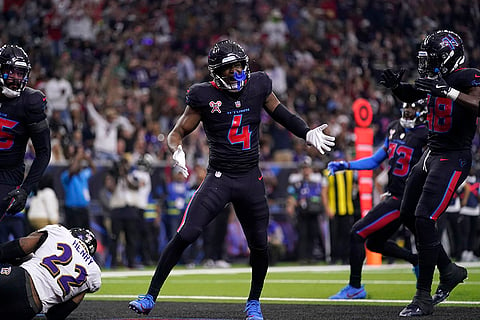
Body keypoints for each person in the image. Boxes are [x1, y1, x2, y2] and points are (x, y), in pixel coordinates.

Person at [129, 39, 335, 319]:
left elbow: (282, 113)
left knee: (260, 244)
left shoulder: (258, 84)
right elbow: (177, 132)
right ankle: (149, 296)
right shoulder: (203, 95)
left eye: (240, 66)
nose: (238, 72)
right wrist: (175, 149)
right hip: (219, 178)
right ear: (216, 72)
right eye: (230, 68)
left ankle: (253, 302)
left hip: (250, 178)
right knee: (186, 233)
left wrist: (306, 132)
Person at [380, 29, 479, 316]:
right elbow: (415, 91)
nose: (427, 64)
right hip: (431, 154)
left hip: (453, 155)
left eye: (432, 59)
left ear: (449, 57)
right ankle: (448, 269)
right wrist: (397, 87)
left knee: (425, 217)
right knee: (407, 213)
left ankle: (422, 297)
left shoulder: (467, 75)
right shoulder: (438, 79)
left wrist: (447, 90)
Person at [328, 99, 428, 299]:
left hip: (404, 198)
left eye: (413, 108)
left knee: (357, 232)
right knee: (374, 243)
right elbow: (375, 161)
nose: (408, 111)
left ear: (423, 111)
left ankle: (355, 287)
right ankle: (415, 260)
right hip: (393, 194)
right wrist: (346, 165)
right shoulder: (394, 128)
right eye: (407, 107)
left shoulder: (426, 134)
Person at [0, 224, 101, 320]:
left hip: (19, 278)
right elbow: (56, 315)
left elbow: (22, 246)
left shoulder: (60, 232)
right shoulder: (93, 273)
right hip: (30, 307)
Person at [0, 44, 51, 218]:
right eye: (11, 71)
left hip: (7, 176)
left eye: (20, 73)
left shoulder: (30, 102)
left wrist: (25, 189)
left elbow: (44, 151)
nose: (15, 78)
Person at [286, 156, 327, 263]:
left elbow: (321, 194)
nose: (306, 170)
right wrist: (291, 205)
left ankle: (313, 256)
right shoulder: (296, 181)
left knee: (314, 233)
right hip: (302, 211)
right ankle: (303, 257)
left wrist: (324, 207)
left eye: (307, 168)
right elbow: (292, 194)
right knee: (302, 234)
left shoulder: (317, 180)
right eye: (304, 168)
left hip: (314, 210)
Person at [61, 146, 96, 229]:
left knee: (85, 232)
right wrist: (78, 157)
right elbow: (72, 170)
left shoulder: (83, 174)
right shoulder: (66, 175)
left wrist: (88, 158)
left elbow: (93, 169)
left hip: (84, 209)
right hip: (72, 210)